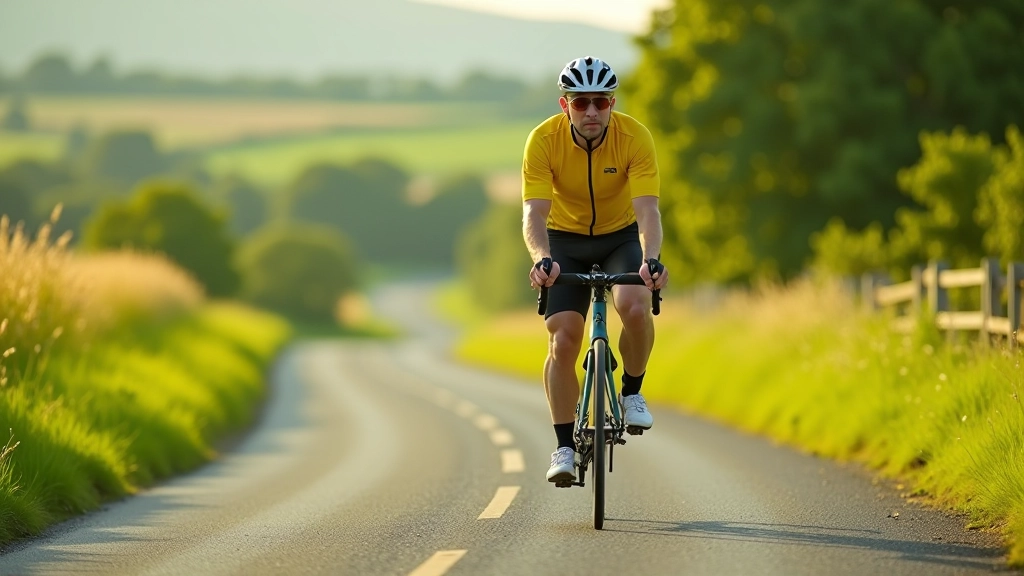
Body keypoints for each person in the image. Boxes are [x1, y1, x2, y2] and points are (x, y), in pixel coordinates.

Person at [521, 56, 668, 485]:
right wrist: (541, 260)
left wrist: (651, 258)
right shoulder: (543, 140)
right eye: (581, 101)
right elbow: (533, 213)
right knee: (563, 338)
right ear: (564, 105)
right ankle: (564, 445)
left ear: (612, 103)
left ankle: (632, 392)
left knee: (636, 307)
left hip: (619, 236)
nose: (591, 111)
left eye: (600, 102)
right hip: (564, 239)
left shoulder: (634, 137)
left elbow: (648, 210)